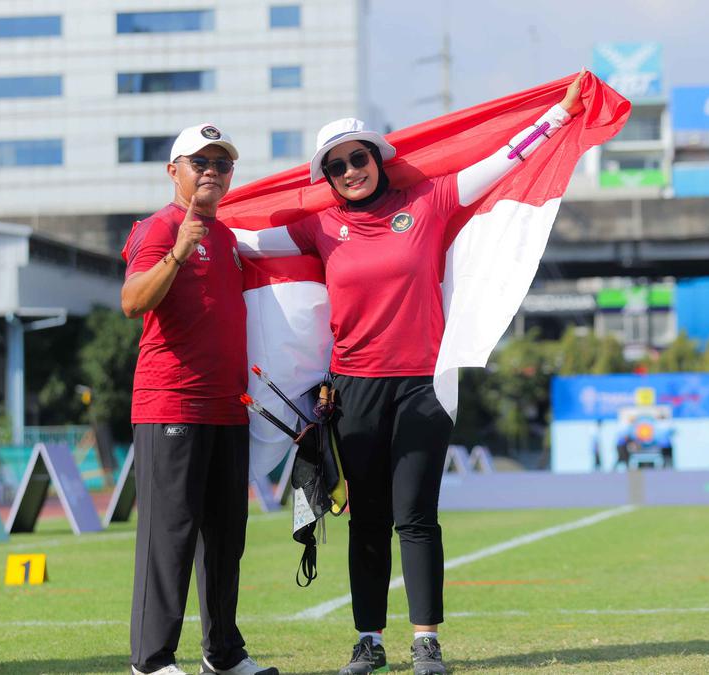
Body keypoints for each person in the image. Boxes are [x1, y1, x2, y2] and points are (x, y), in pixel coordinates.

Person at [235, 72, 587, 675]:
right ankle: (368, 642)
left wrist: (557, 117)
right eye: (337, 166)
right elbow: (244, 241)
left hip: (423, 385)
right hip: (351, 391)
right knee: (367, 520)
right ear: (328, 177)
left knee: (416, 516)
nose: (351, 171)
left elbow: (505, 160)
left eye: (358, 157)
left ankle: (426, 641)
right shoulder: (318, 227)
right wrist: (186, 219)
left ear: (377, 157)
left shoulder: (430, 201)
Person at [120, 123, 277, 675]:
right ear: (174, 172)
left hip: (226, 407)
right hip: (171, 405)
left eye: (222, 164)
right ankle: (152, 659)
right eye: (200, 162)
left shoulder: (229, 239)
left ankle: (224, 654)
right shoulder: (159, 228)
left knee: (226, 540)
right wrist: (177, 254)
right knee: (170, 535)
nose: (212, 171)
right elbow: (131, 301)